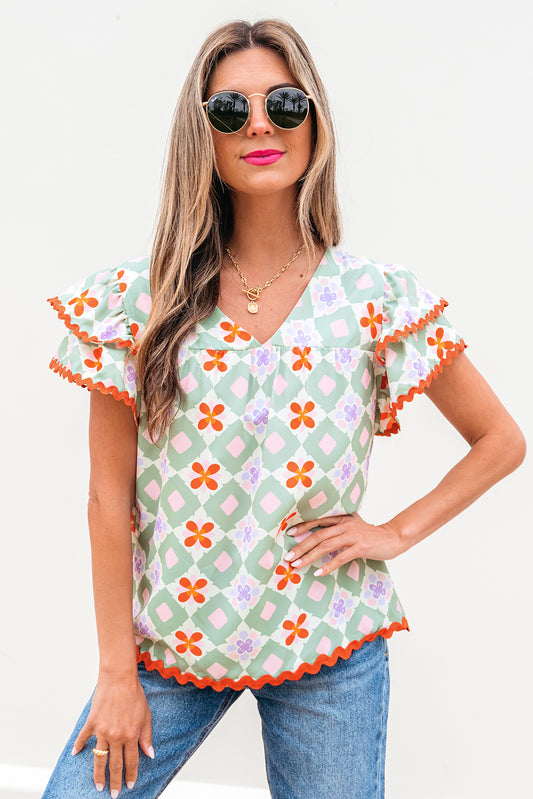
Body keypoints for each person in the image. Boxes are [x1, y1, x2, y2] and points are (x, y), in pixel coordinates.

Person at [41, 17, 526, 799]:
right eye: (230, 109)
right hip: (170, 643)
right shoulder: (136, 301)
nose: (259, 124)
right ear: (202, 134)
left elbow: (499, 439)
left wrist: (393, 532)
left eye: (285, 103)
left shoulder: (374, 297)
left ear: (314, 121)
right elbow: (107, 498)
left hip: (327, 641)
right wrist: (116, 672)